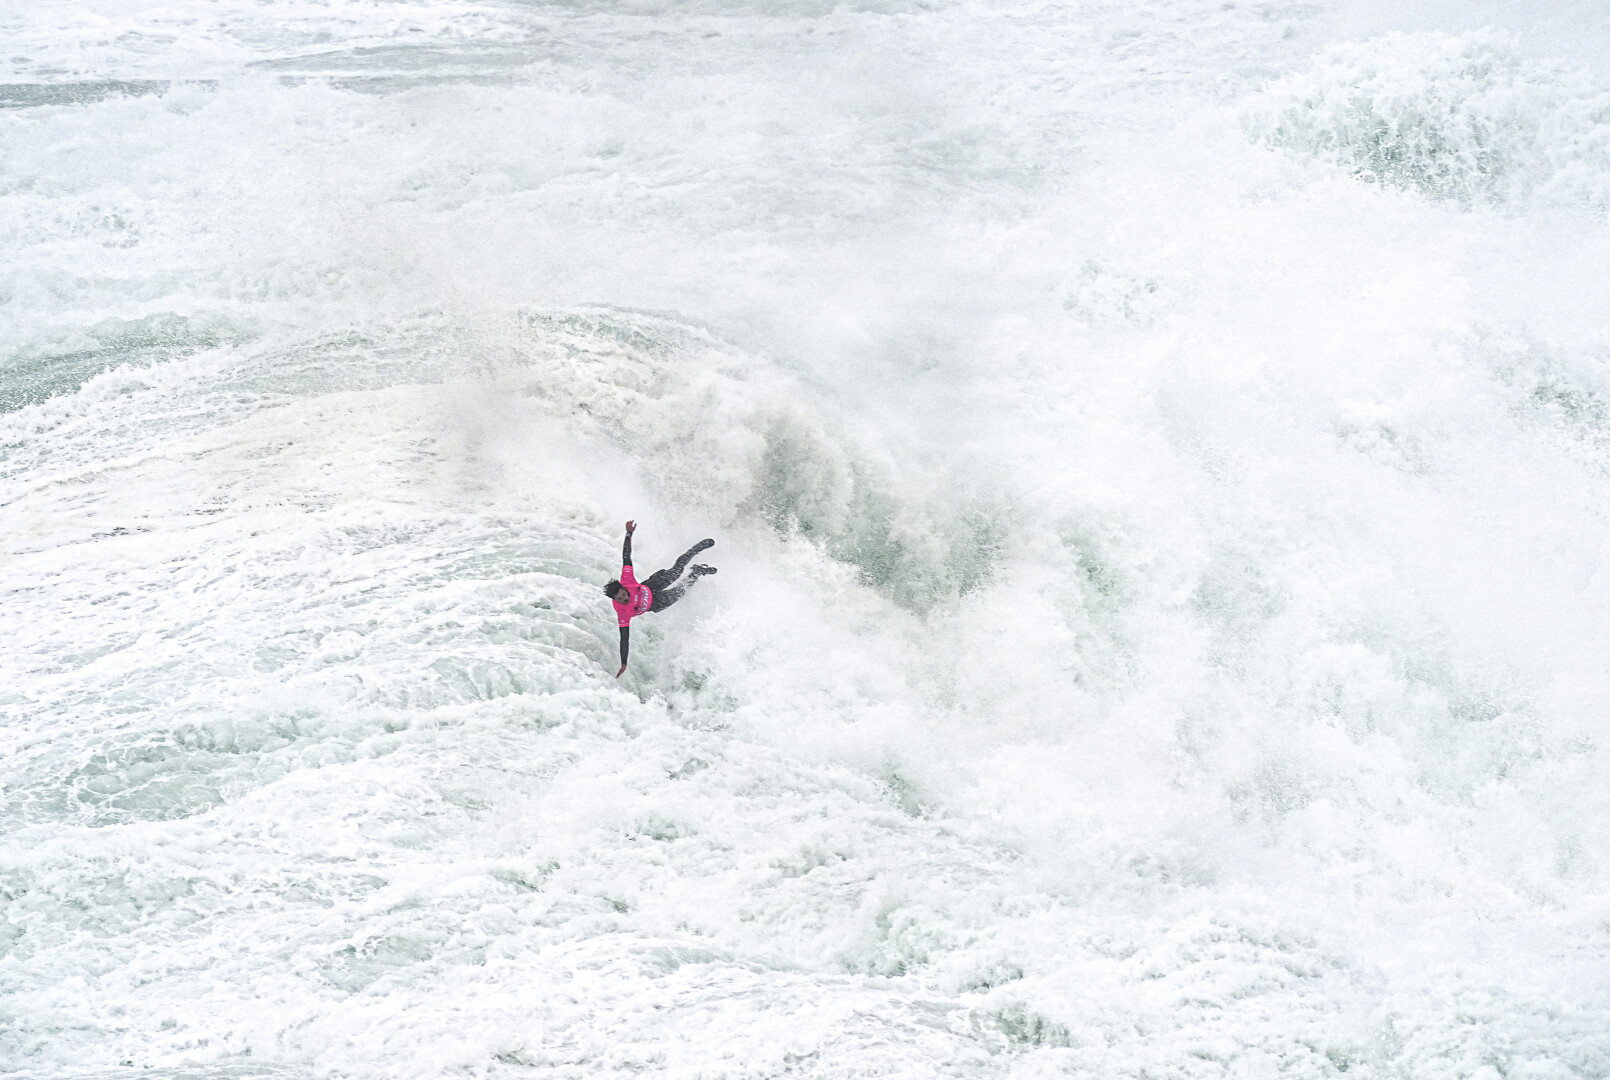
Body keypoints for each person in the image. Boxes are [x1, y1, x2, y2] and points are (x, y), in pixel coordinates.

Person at [605, 520, 716, 677]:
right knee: (681, 591)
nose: (625, 599)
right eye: (620, 599)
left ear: (623, 588)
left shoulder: (626, 579)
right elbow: (624, 639)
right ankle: (697, 572)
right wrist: (624, 663)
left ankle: (696, 549)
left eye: (624, 594)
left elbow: (626, 556)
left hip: (651, 586)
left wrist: (628, 534)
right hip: (655, 604)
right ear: (615, 600)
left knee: (677, 570)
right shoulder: (623, 613)